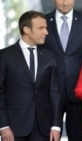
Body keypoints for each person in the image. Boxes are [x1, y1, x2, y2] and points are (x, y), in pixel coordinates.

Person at [0, 10, 63, 141]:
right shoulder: (5, 56)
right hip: (14, 128)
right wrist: (3, 125)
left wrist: (56, 125)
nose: (46, 32)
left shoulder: (49, 56)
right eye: (41, 28)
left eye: (45, 28)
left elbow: (55, 93)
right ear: (27, 30)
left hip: (44, 128)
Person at [44, 0, 82, 140]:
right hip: (50, 91)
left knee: (79, 137)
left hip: (78, 91)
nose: (65, 3)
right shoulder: (43, 22)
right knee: (48, 136)